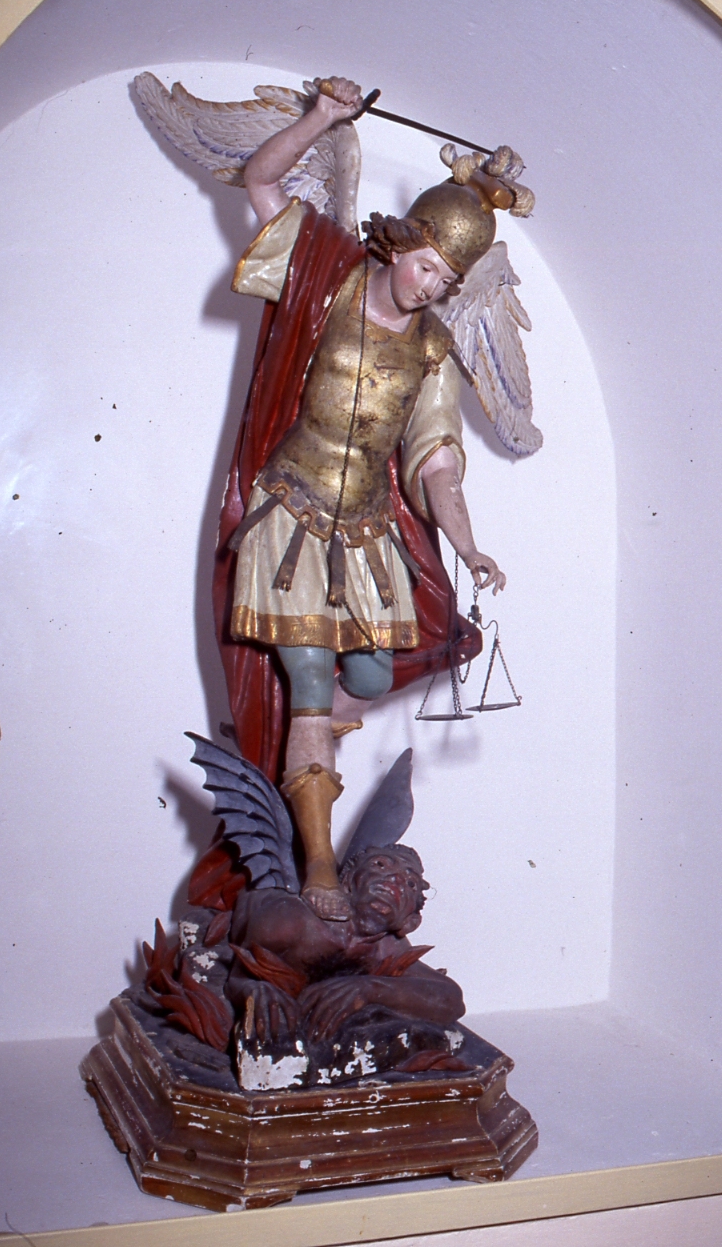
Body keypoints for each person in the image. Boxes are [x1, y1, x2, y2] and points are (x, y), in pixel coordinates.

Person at [216, 76, 506, 923]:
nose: (429, 287)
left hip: (369, 527)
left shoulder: (433, 351)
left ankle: (298, 754)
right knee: (310, 674)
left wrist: (469, 544)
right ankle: (316, 863)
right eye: (426, 266)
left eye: (445, 281)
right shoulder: (324, 273)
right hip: (292, 508)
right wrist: (322, 118)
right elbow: (259, 181)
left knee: (371, 676)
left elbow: (438, 462)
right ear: (400, 244)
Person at [225, 843, 465, 1044]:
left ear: (410, 922)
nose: (395, 880)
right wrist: (253, 989)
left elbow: (452, 1000)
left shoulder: (387, 948)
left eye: (410, 883)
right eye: (380, 865)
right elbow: (236, 977)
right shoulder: (290, 921)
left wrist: (371, 989)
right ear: (347, 881)